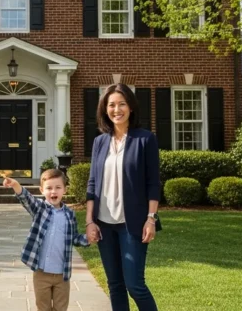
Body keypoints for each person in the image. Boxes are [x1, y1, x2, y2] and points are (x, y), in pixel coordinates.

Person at [85, 83, 161, 311]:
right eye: (111, 105)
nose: (116, 109)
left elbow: (153, 183)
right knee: (115, 285)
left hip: (133, 224)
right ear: (104, 109)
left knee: (134, 284)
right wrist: (90, 221)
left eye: (121, 104)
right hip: (104, 224)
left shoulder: (145, 139)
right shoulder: (99, 142)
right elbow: (92, 183)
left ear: (131, 108)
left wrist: (151, 218)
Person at [3, 169, 90, 311]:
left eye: (58, 188)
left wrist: (88, 239)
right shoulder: (40, 208)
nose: (53, 192)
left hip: (62, 274)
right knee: (43, 307)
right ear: (42, 190)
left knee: (61, 308)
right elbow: (26, 198)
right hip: (41, 273)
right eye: (49, 188)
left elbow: (74, 238)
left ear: (65, 190)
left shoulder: (70, 214)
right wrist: (15, 185)